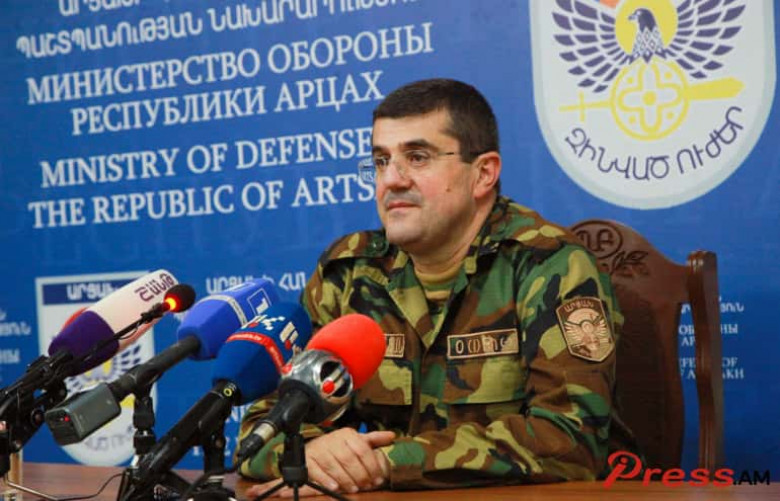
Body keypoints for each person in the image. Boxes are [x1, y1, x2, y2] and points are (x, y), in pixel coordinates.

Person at [239, 78, 625, 496]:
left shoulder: (547, 264)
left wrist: (388, 463)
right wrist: (311, 454)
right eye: (381, 161)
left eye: (417, 157)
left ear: (483, 174)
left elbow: (569, 438)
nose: (391, 180)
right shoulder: (348, 273)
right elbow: (262, 428)